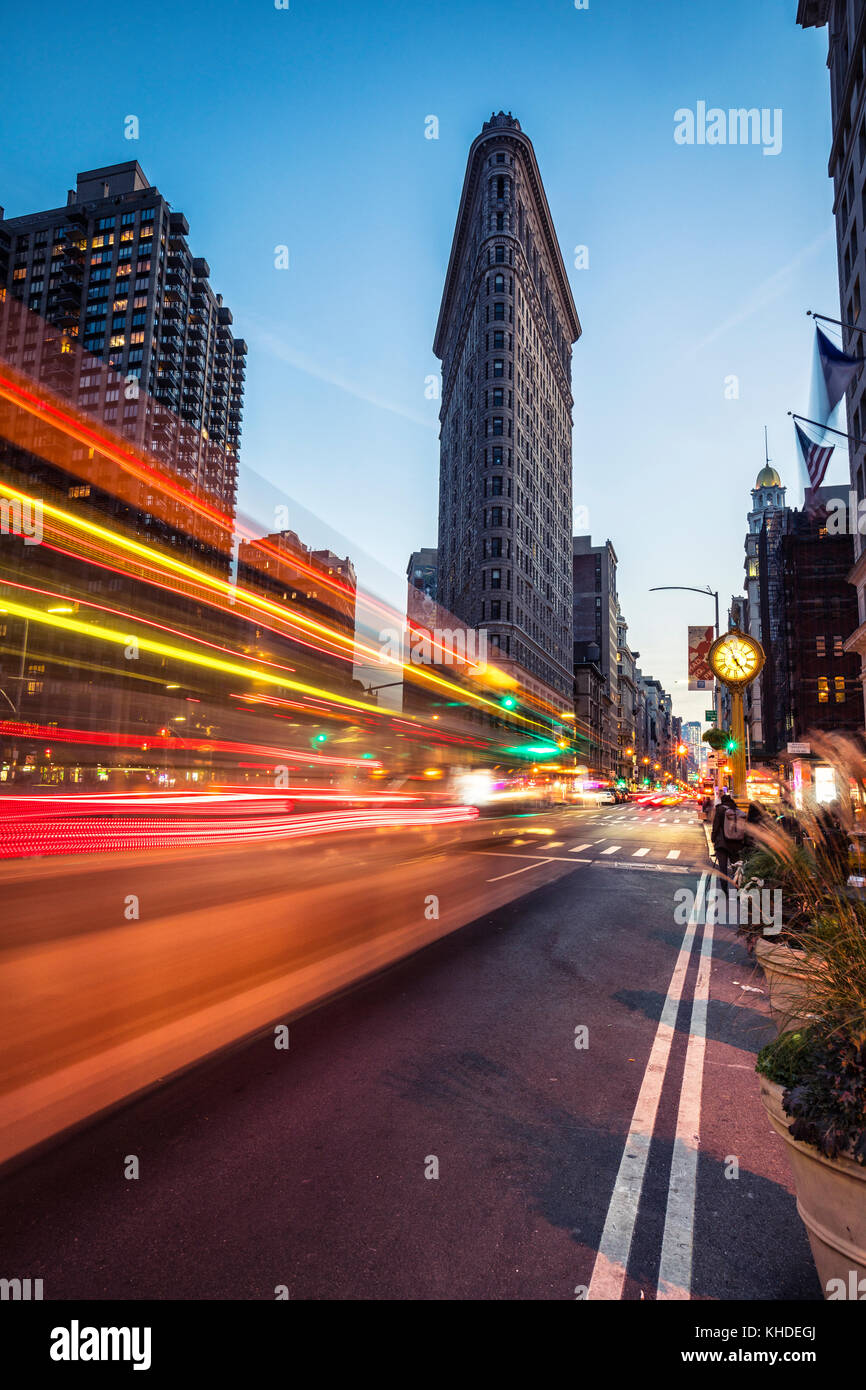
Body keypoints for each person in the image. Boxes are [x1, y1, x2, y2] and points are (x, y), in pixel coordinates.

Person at [711, 791, 746, 881]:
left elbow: (716, 826)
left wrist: (713, 839)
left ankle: (725, 892)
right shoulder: (738, 811)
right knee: (736, 870)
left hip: (722, 843)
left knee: (723, 870)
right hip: (736, 844)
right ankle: (738, 891)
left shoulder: (720, 810)